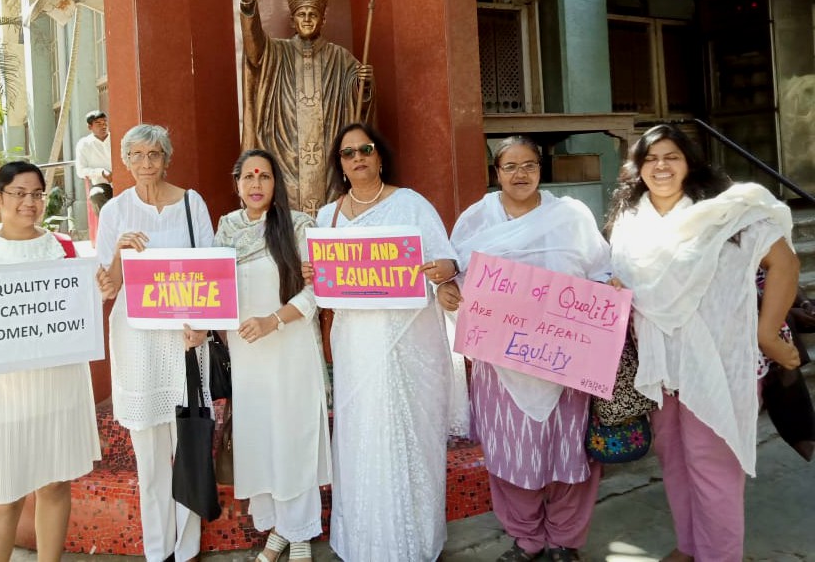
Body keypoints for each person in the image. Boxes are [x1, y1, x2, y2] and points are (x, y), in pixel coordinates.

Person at [606, 124, 800, 562]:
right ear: (637, 168)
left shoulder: (723, 216)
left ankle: (719, 555)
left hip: (714, 362)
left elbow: (785, 261)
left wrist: (766, 333)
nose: (661, 166)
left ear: (689, 162)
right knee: (675, 463)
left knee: (712, 471)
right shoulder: (628, 223)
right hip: (659, 365)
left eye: (671, 156)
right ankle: (690, 546)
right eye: (651, 158)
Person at [437, 136, 611, 562]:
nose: (520, 175)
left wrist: (607, 290)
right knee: (509, 453)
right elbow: (454, 271)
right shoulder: (477, 218)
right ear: (496, 173)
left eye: (528, 165)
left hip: (565, 362)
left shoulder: (569, 216)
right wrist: (445, 288)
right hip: (502, 363)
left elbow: (601, 267)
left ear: (540, 168)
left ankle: (565, 541)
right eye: (509, 167)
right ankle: (527, 538)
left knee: (569, 455)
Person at [309, 122, 457, 562]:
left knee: (410, 436)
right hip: (356, 345)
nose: (358, 158)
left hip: (408, 343)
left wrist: (440, 272)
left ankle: (414, 543)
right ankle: (365, 543)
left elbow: (448, 260)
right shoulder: (326, 217)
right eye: (348, 152)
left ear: (379, 156)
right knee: (361, 436)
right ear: (340, 163)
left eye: (365, 150)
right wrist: (311, 277)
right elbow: (322, 285)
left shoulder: (411, 205)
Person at [0, 161, 99, 562]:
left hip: (58, 390)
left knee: (54, 487)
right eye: (19, 194)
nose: (30, 202)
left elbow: (81, 309)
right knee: (1, 500)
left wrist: (102, 288)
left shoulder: (63, 248)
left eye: (37, 194)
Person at [95, 124, 214, 562]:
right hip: (138, 343)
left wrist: (203, 325)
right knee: (149, 454)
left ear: (167, 158)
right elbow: (107, 288)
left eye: (155, 154)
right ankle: (158, 550)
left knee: (189, 446)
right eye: (138, 155)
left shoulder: (191, 203)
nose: (147, 163)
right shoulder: (115, 212)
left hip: (185, 339)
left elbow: (212, 269)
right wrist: (119, 253)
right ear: (125, 162)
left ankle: (188, 549)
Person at [213, 149, 331, 562]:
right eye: (249, 176)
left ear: (275, 184)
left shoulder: (298, 225)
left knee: (294, 435)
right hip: (248, 355)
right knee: (263, 438)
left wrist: (272, 321)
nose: (256, 184)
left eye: (264, 176)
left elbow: (316, 292)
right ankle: (279, 529)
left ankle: (300, 531)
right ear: (237, 184)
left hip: (290, 344)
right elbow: (215, 288)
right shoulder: (225, 228)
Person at [240, 0, 374, 218]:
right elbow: (253, 44)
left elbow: (359, 108)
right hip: (285, 155)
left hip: (328, 162)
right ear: (292, 19)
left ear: (323, 18)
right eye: (302, 14)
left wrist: (363, 86)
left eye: (313, 14)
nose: (307, 20)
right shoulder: (277, 52)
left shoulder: (341, 58)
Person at [75, 109, 113, 213]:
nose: (103, 126)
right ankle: (109, 226)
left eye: (105, 122)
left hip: (123, 181)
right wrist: (101, 172)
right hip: (102, 185)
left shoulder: (116, 138)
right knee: (96, 195)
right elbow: (81, 171)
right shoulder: (84, 144)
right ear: (90, 127)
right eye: (98, 123)